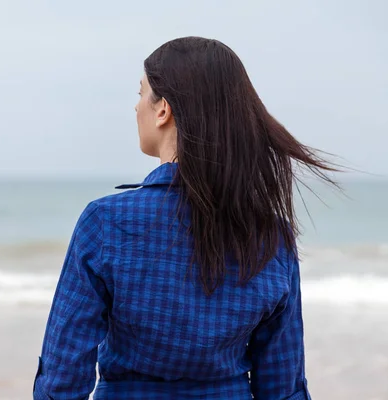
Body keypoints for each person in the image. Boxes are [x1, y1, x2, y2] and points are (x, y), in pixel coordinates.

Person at [33, 36, 336, 399]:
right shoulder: (271, 235)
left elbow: (62, 381)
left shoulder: (105, 223)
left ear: (163, 110)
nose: (135, 107)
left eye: (141, 93)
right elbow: (283, 387)